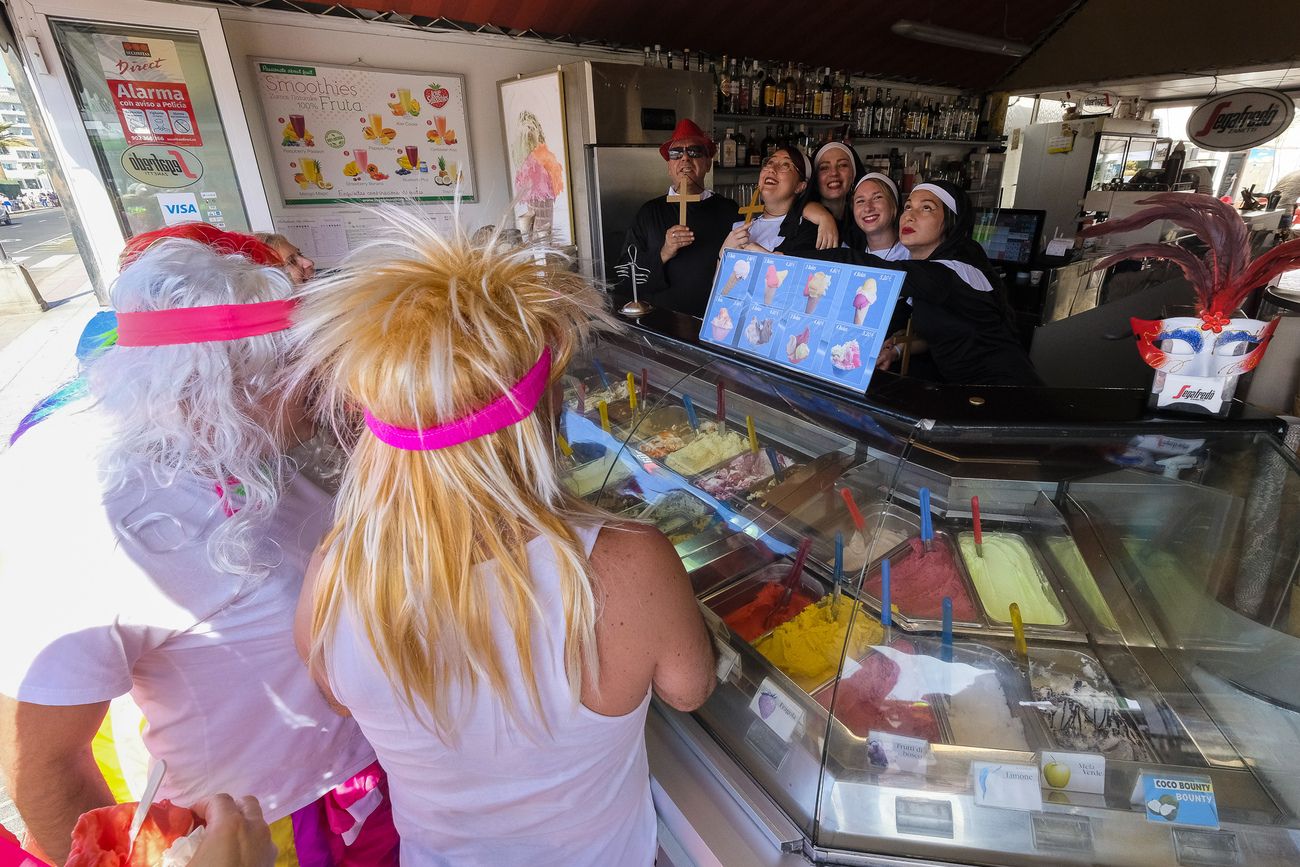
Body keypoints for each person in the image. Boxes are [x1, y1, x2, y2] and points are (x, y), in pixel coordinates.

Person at [289, 213, 716, 865]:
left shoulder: (334, 573)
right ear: (538, 416)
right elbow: (689, 689)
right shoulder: (630, 560)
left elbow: (340, 697)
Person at [0, 224, 397, 866]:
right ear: (214, 385)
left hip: (358, 774)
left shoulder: (248, 444)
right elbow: (42, 762)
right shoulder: (103, 520)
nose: (323, 385)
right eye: (295, 367)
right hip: (254, 828)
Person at [888, 180, 1040, 386]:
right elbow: (940, 334)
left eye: (926, 208)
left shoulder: (951, 271)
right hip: (964, 391)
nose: (909, 216)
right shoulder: (928, 271)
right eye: (908, 207)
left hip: (1006, 393)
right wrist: (895, 350)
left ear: (951, 222)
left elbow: (874, 270)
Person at [616, 119, 739, 316]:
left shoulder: (728, 210)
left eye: (694, 152)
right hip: (661, 321)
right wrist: (664, 252)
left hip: (714, 321)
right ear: (669, 166)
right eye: (676, 153)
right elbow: (625, 276)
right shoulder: (649, 212)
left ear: (708, 163)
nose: (684, 158)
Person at [721, 146, 836, 255]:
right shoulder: (738, 228)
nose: (771, 168)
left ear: (800, 186)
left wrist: (765, 258)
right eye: (769, 162)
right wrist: (723, 255)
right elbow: (718, 276)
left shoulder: (808, 231)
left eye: (785, 165)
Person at [812, 141, 866, 249]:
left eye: (842, 165)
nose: (834, 173)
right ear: (815, 179)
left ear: (853, 175)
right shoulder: (804, 224)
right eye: (824, 168)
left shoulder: (865, 218)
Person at [851, 172, 908, 261]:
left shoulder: (912, 255)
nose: (868, 208)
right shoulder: (850, 256)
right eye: (860, 201)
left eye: (877, 198)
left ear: (894, 205)